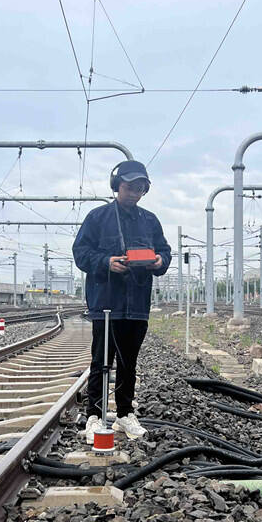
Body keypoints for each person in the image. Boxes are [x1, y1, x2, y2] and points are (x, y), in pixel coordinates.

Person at [73, 160, 172, 440]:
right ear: (117, 186)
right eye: (129, 187)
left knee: (129, 363)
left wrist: (159, 261)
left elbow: (165, 251)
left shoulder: (150, 220)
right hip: (106, 303)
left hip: (137, 304)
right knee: (101, 360)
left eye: (140, 188)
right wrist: (107, 262)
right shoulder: (98, 217)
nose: (134, 193)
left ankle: (125, 414)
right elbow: (81, 252)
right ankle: (94, 415)